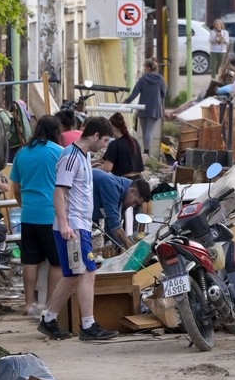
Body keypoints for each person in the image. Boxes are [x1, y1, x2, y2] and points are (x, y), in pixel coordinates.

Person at [38, 116, 119, 341]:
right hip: (73, 225)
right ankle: (80, 323)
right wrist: (64, 223)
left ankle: (57, 319)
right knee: (80, 272)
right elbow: (59, 192)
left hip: (79, 224)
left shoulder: (82, 156)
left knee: (80, 272)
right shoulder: (71, 156)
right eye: (104, 140)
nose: (105, 145)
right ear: (94, 136)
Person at [9, 115, 64, 317]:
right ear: (56, 132)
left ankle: (29, 304)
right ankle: (49, 303)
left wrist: (24, 206)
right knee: (57, 261)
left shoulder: (22, 153)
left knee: (30, 261)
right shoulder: (59, 152)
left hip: (28, 214)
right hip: (52, 214)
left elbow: (15, 188)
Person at [92, 168, 151, 249]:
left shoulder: (121, 195)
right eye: (135, 202)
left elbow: (110, 228)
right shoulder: (112, 185)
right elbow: (114, 224)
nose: (133, 206)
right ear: (132, 191)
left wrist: (122, 245)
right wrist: (128, 246)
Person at [125, 57, 167, 155]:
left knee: (144, 132)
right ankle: (146, 152)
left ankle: (145, 152)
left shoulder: (142, 79)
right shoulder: (161, 79)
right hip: (155, 108)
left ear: (148, 68)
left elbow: (134, 93)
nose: (143, 68)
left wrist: (126, 101)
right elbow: (163, 94)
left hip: (142, 108)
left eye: (144, 66)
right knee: (149, 131)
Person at [101, 112, 144, 178]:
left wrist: (92, 170)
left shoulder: (114, 144)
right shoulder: (133, 141)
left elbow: (106, 169)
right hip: (138, 179)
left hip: (123, 181)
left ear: (113, 127)